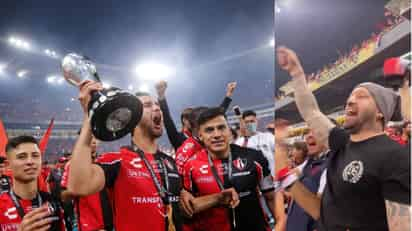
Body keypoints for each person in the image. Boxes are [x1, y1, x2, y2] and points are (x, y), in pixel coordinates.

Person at [276, 46, 410, 231]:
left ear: (380, 112)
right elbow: (311, 111)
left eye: (361, 96)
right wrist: (296, 74)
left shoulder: (396, 156)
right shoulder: (340, 141)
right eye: (349, 97)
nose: (350, 101)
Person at [67, 80, 182, 231]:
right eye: (147, 105)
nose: (157, 108)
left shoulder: (170, 162)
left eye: (157, 105)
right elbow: (78, 186)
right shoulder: (117, 161)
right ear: (131, 118)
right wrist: (89, 118)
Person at [181, 107, 275, 231]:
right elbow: (187, 209)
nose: (217, 135)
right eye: (209, 130)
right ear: (200, 135)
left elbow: (271, 197)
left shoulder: (254, 157)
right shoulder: (191, 166)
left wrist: (281, 223)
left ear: (229, 131)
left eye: (221, 128)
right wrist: (218, 199)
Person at [0, 135, 65, 231]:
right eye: (21, 157)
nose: (30, 161)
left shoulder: (53, 202)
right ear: (8, 165)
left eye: (35, 156)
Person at [156, 80, 237, 150]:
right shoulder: (177, 138)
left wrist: (228, 94)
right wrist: (161, 97)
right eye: (192, 118)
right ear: (184, 120)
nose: (195, 121)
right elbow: (167, 119)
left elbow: (217, 115)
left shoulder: (201, 135)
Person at [61, 135, 113, 231]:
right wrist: (78, 190)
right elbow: (63, 195)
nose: (93, 141)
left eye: (95, 138)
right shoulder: (73, 165)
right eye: (89, 137)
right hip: (88, 226)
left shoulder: (107, 163)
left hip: (110, 225)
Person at [234, 110, 275, 176]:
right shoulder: (239, 142)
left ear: (257, 121)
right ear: (244, 124)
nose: (250, 124)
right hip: (254, 182)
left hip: (272, 180)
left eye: (252, 121)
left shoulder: (268, 136)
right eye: (247, 122)